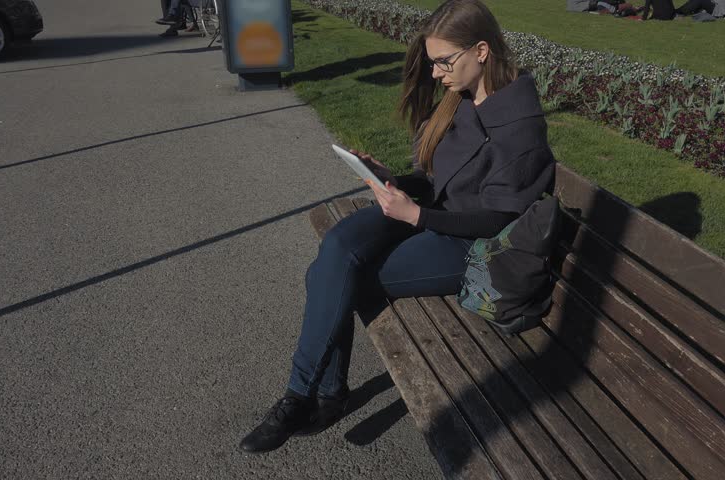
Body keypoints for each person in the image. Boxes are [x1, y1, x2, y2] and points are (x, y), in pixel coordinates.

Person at [238, 0, 556, 454]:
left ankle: (308, 398)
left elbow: (500, 219)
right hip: (431, 215)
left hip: (475, 246)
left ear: (481, 51)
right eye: (433, 63)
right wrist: (392, 180)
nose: (436, 74)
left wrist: (417, 216)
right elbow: (440, 180)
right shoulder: (464, 99)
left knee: (330, 277)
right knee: (339, 246)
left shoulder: (519, 125)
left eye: (443, 62)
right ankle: (313, 395)